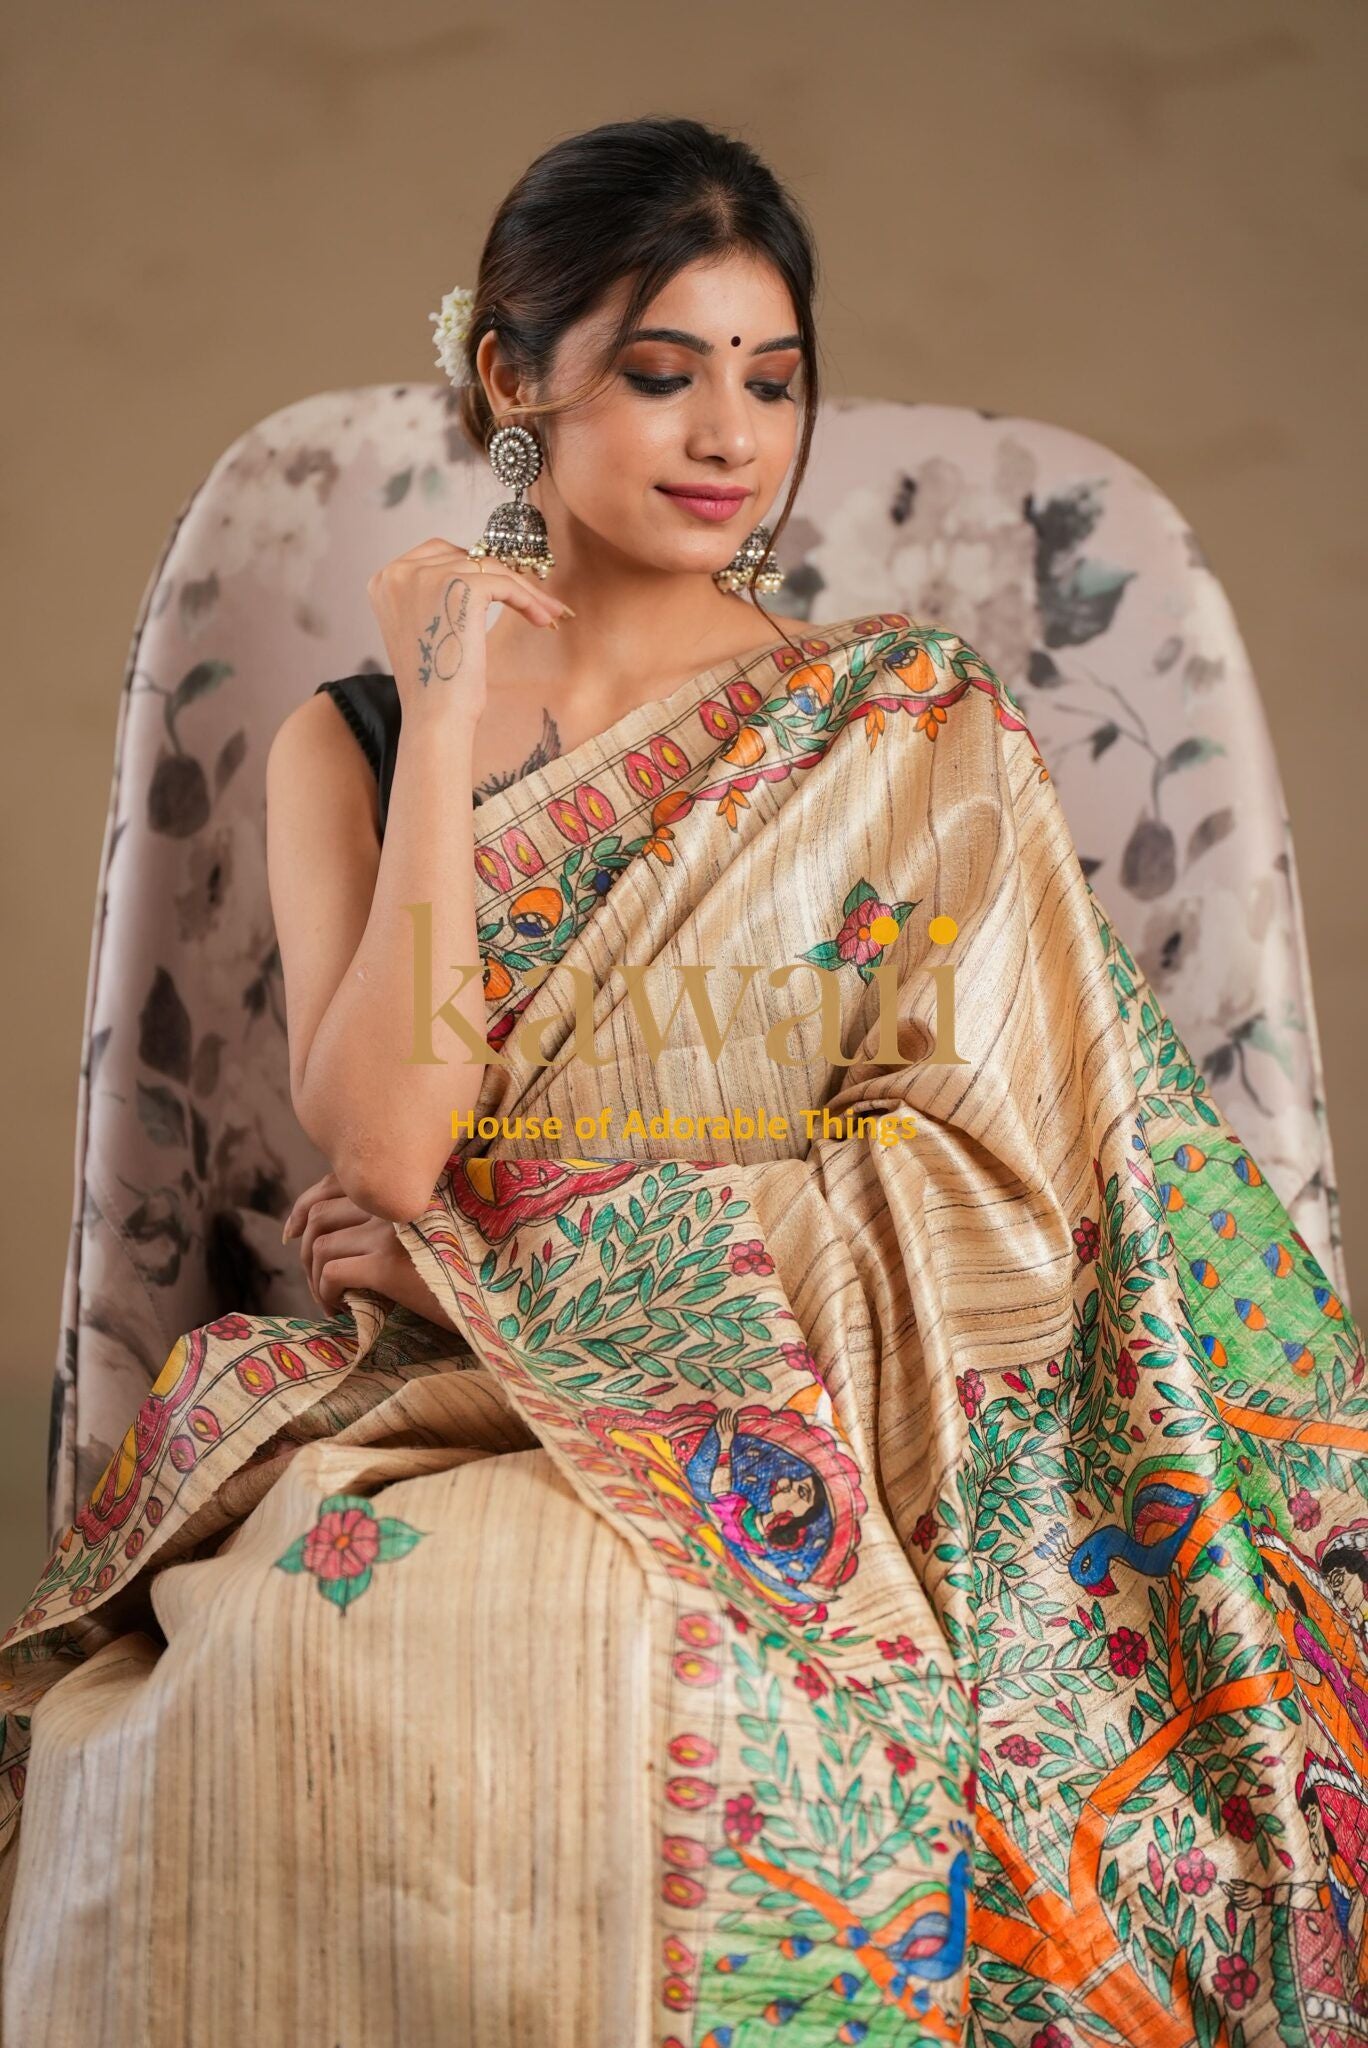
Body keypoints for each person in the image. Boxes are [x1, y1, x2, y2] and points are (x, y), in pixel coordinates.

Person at [2, 114, 1365, 2048]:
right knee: (284, 1681)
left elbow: (987, 1189)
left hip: (790, 1433)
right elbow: (390, 1146)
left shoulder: (899, 733)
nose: (731, 435)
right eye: (662, 374)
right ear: (510, 381)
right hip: (425, 1405)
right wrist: (460, 715)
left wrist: (522, 1259)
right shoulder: (365, 740)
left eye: (772, 380)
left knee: (648, 1681)